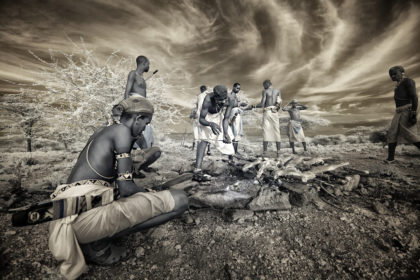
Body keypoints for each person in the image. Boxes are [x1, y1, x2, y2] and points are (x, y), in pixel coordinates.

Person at [48, 96, 188, 279]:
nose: (145, 128)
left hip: (69, 217)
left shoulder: (104, 131)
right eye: (146, 123)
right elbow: (126, 189)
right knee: (180, 200)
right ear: (137, 118)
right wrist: (150, 192)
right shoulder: (122, 131)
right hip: (82, 222)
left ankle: (95, 238)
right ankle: (99, 243)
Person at [123, 55, 158, 174]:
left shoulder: (142, 78)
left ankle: (142, 163)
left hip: (144, 107)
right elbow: (127, 92)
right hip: (134, 105)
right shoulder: (133, 74)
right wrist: (127, 107)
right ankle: (129, 165)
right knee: (134, 133)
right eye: (148, 64)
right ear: (144, 63)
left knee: (147, 133)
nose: (149, 66)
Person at [193, 85, 234, 181]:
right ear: (214, 97)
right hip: (207, 117)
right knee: (204, 139)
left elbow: (226, 119)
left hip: (218, 116)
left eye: (224, 99)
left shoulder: (230, 99)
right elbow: (201, 119)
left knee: (229, 138)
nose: (223, 102)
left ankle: (231, 162)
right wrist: (210, 124)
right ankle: (197, 169)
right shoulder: (207, 99)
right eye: (220, 100)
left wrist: (225, 134)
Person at [386, 66, 420, 161]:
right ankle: (390, 159)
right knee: (392, 133)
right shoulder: (398, 85)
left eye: (395, 73)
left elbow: (414, 97)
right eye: (391, 75)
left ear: (402, 72)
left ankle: (390, 159)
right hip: (398, 112)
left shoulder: (408, 81)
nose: (393, 76)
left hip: (406, 111)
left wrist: (413, 114)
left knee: (410, 135)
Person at [250, 80, 282, 157]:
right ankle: (278, 152)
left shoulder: (265, 91)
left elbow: (261, 104)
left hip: (267, 111)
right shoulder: (278, 91)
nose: (263, 87)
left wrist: (253, 106)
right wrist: (276, 108)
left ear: (267, 84)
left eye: (263, 85)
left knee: (266, 130)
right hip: (275, 112)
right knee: (277, 131)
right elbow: (279, 103)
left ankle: (265, 152)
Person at [228, 82, 248, 160]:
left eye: (239, 88)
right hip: (234, 115)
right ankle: (233, 154)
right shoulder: (231, 96)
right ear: (233, 87)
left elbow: (236, 106)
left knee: (236, 135)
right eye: (237, 88)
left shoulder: (235, 96)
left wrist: (243, 106)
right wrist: (233, 119)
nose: (238, 90)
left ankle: (234, 152)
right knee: (234, 135)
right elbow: (231, 108)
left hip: (236, 115)